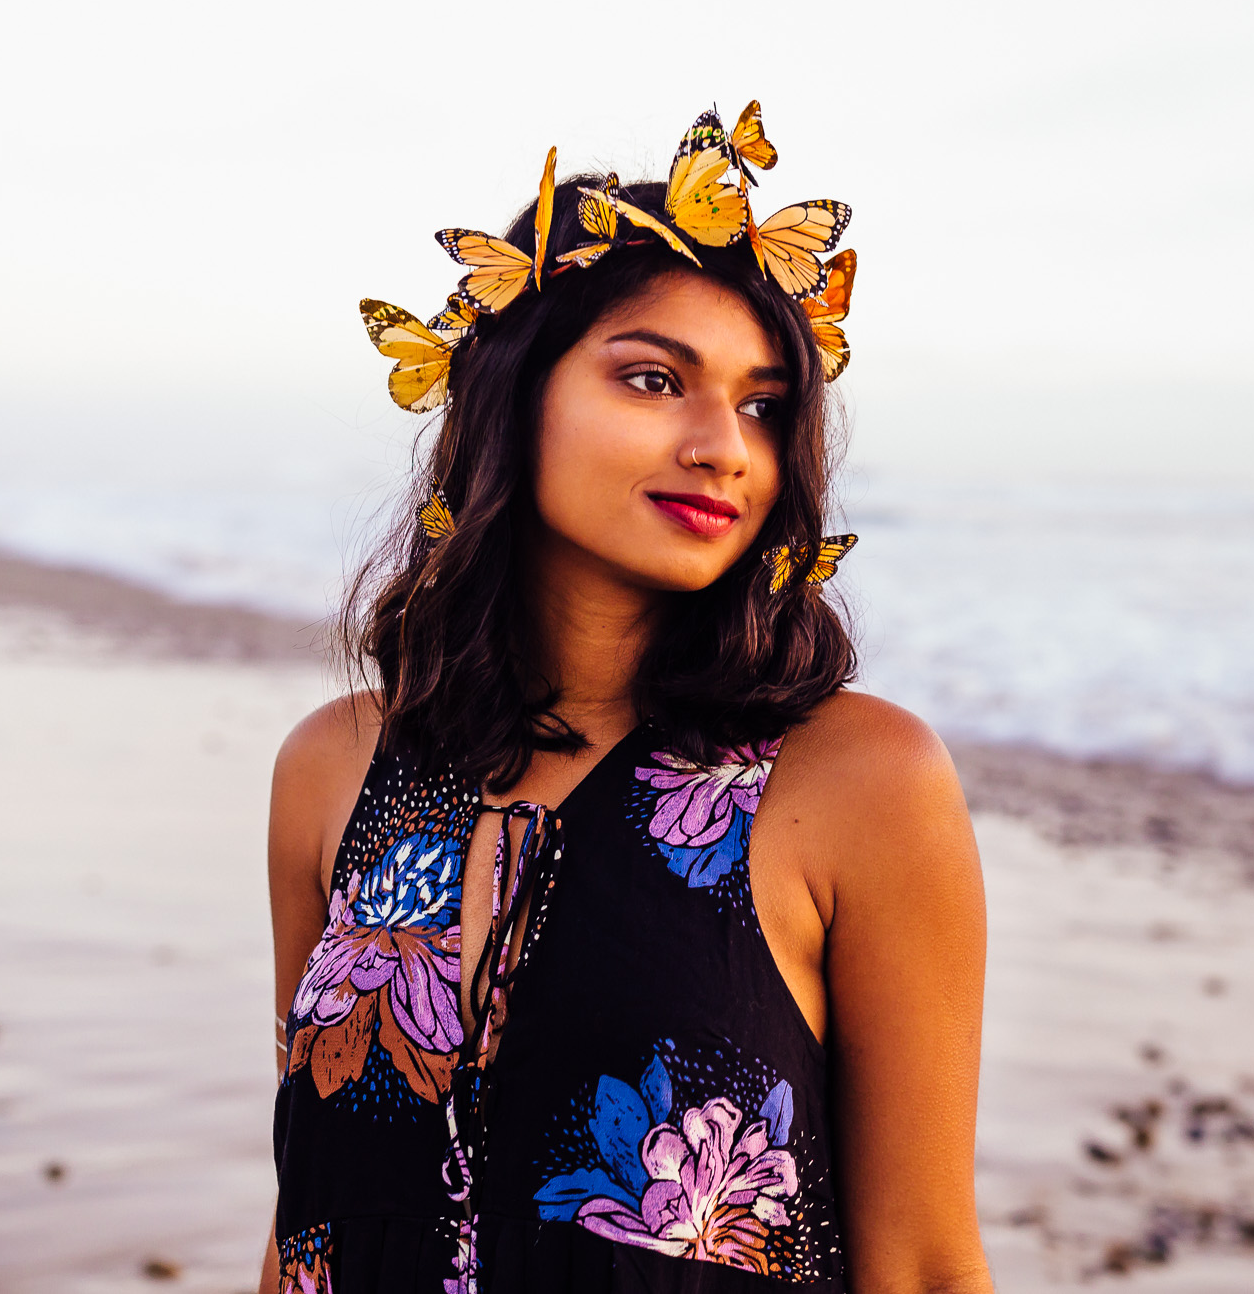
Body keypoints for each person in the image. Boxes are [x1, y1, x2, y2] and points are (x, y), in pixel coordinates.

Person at [260, 104, 992, 1294]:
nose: (724, 446)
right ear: (512, 397)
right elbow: (309, 1218)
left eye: (762, 404)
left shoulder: (857, 782)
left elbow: (919, 1262)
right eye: (655, 380)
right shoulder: (333, 770)